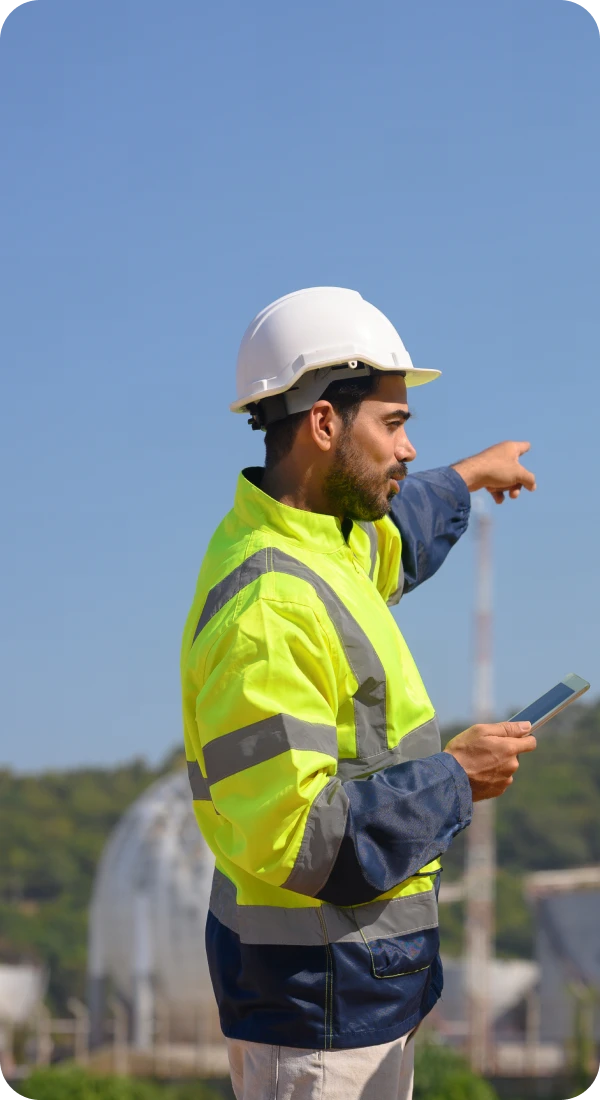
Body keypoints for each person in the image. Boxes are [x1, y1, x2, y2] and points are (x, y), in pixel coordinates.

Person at [180, 287, 538, 1100]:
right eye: (395, 423)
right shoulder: (270, 609)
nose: (410, 450)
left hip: (353, 1000)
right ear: (324, 425)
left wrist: (472, 477)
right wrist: (455, 778)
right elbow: (301, 837)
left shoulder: (319, 540)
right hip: (316, 1022)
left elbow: (392, 537)